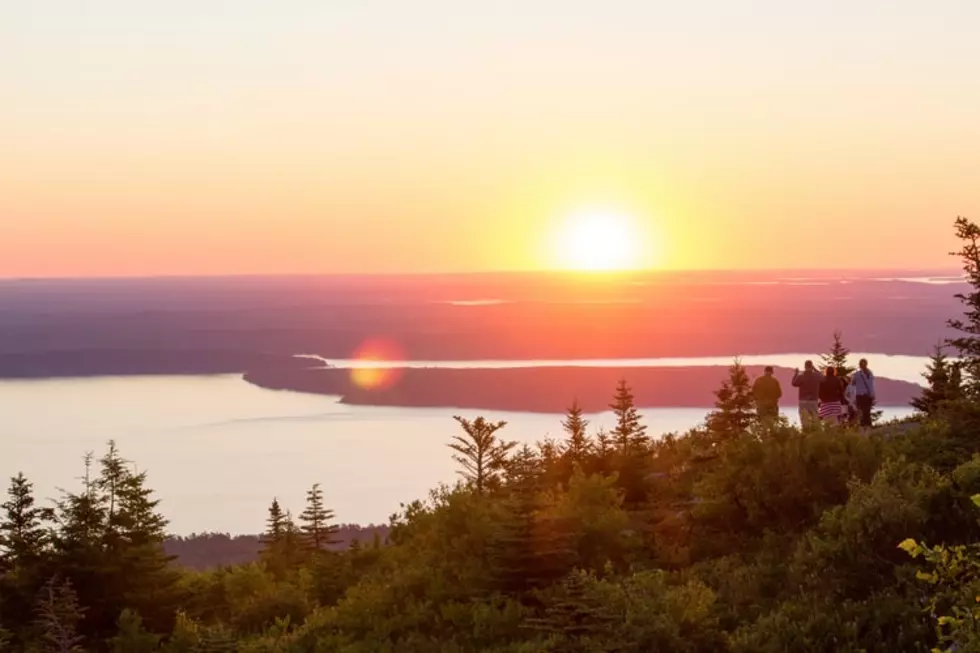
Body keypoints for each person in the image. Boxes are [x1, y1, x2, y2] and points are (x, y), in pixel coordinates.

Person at [792, 360, 822, 426]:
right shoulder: (816, 376)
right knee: (815, 419)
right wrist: (815, 369)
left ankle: (805, 433)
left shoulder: (801, 376)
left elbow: (793, 383)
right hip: (813, 400)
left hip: (803, 401)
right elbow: (823, 378)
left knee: (804, 420)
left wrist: (796, 374)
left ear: (805, 367)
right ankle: (815, 433)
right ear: (812, 366)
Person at [851, 358, 876, 429]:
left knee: (861, 412)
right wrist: (873, 395)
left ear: (859, 365)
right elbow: (872, 386)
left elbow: (852, 383)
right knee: (867, 411)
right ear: (866, 364)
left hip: (860, 396)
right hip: (868, 396)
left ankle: (862, 427)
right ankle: (868, 427)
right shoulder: (871, 374)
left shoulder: (857, 374)